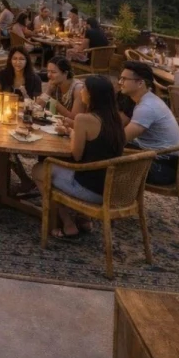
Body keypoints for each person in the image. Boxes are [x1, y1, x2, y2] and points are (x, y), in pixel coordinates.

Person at [32, 75, 127, 237]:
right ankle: (83, 218)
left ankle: (66, 221)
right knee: (56, 166)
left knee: (39, 169)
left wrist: (73, 132)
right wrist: (71, 132)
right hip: (111, 187)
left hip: (89, 189)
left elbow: (76, 156)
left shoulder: (84, 119)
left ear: (91, 95)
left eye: (84, 89)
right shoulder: (115, 119)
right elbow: (95, 144)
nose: (81, 91)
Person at [118, 61, 179, 185]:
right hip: (159, 157)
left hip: (162, 168)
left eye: (124, 79)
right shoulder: (146, 99)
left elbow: (120, 139)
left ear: (140, 83)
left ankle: (110, 200)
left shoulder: (147, 107)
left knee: (106, 156)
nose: (120, 82)